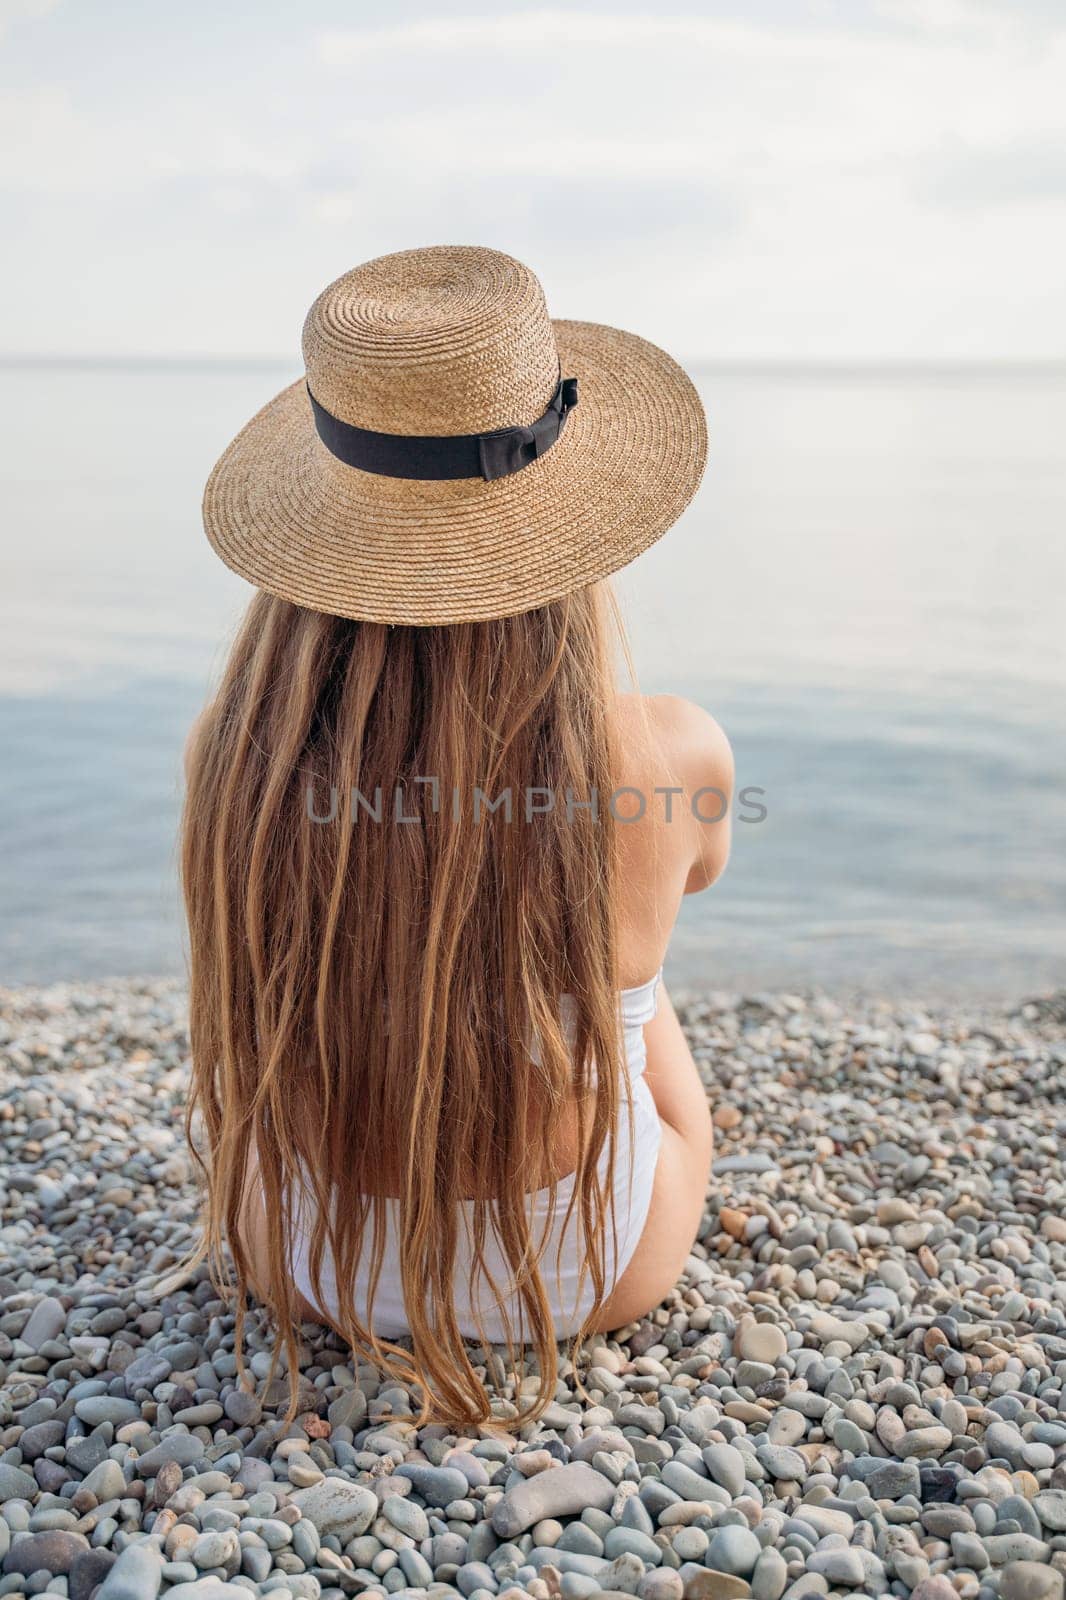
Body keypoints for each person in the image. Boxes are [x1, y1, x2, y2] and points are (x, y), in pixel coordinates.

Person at [181, 245, 732, 1427]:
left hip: (303, 1251)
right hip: (590, 1263)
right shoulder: (668, 754)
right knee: (626, 958)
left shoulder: (235, 756)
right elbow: (698, 877)